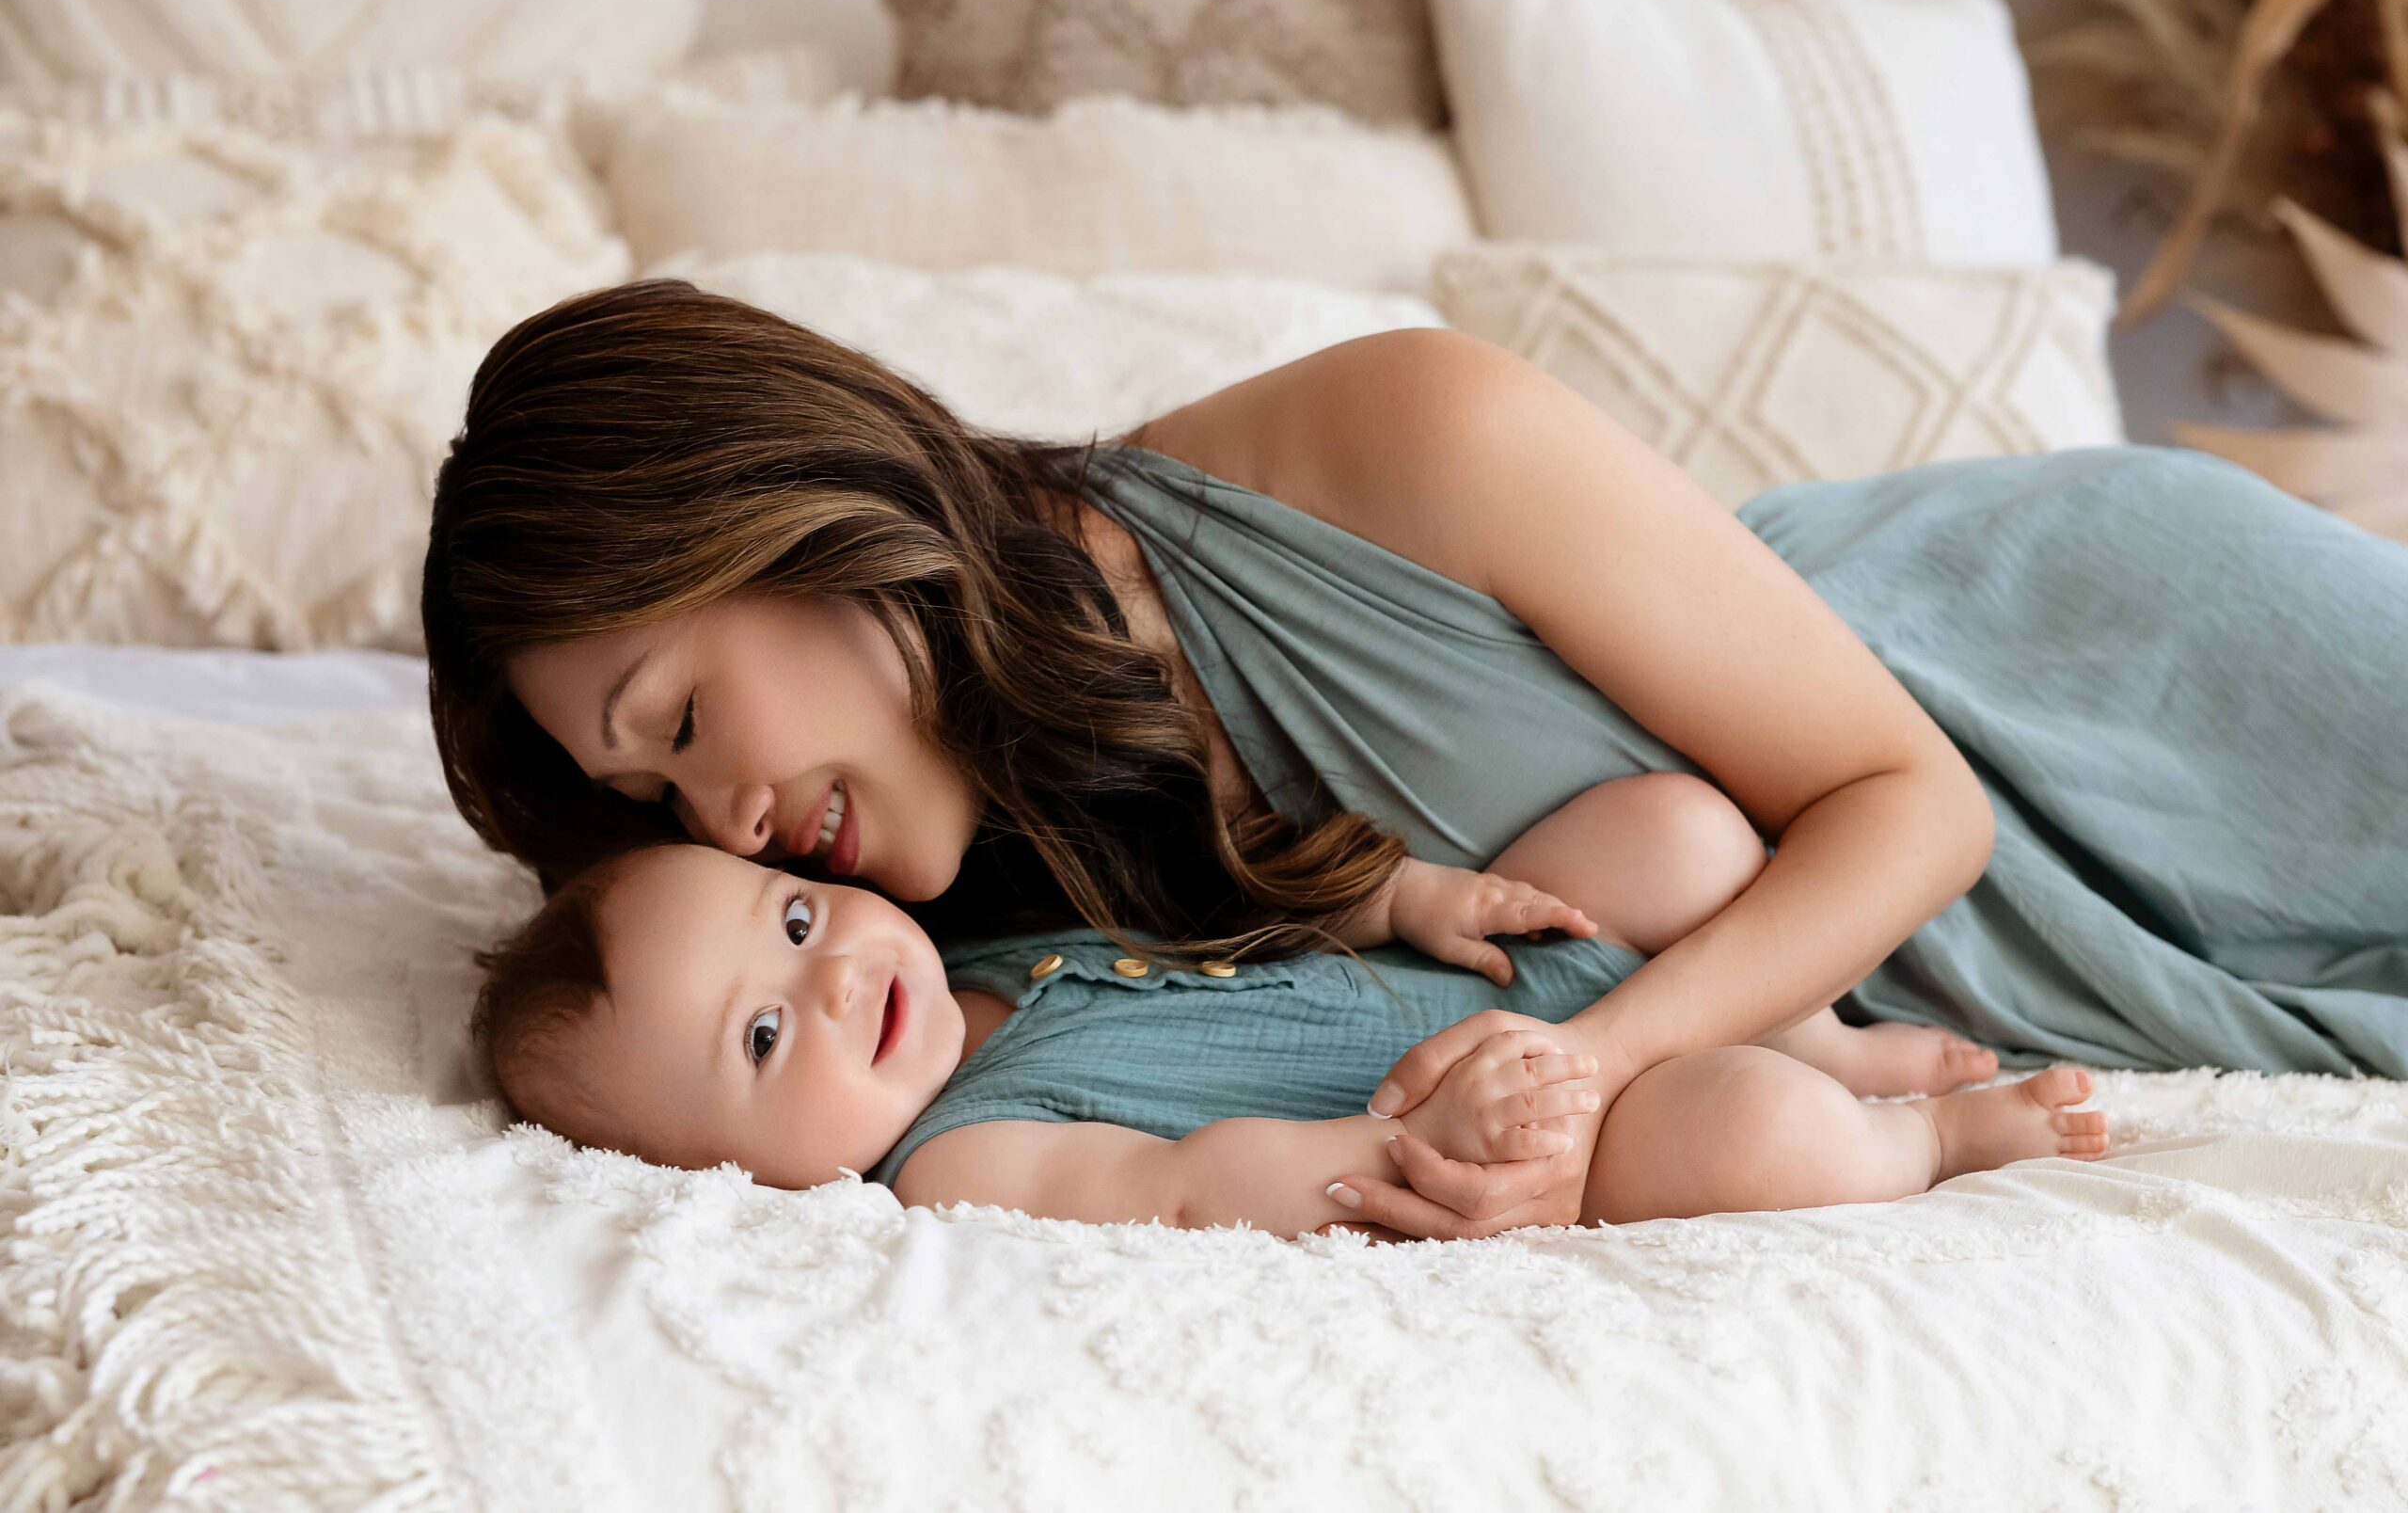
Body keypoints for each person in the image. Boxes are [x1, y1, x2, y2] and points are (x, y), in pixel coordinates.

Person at [424, 279, 2408, 1240]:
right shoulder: (966, 976)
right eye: (659, 806)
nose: (725, 820)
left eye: (682, 727)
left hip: (2092, 667)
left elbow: (1912, 806)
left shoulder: (1389, 433)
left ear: (798, 515)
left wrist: (1591, 1072)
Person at [467, 776, 2102, 1234]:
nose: (830, 982)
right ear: (725, 1176)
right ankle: (1930, 1134)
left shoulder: (985, 948)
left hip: (1486, 984)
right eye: (762, 1039)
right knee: (1758, 1134)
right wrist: (1409, 1149)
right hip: (1526, 1128)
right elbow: (1191, 1184)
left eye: (797, 915)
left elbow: (1227, 905)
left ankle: (1813, 1015)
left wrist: (1411, 899)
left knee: (1673, 831)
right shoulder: (961, 1161)